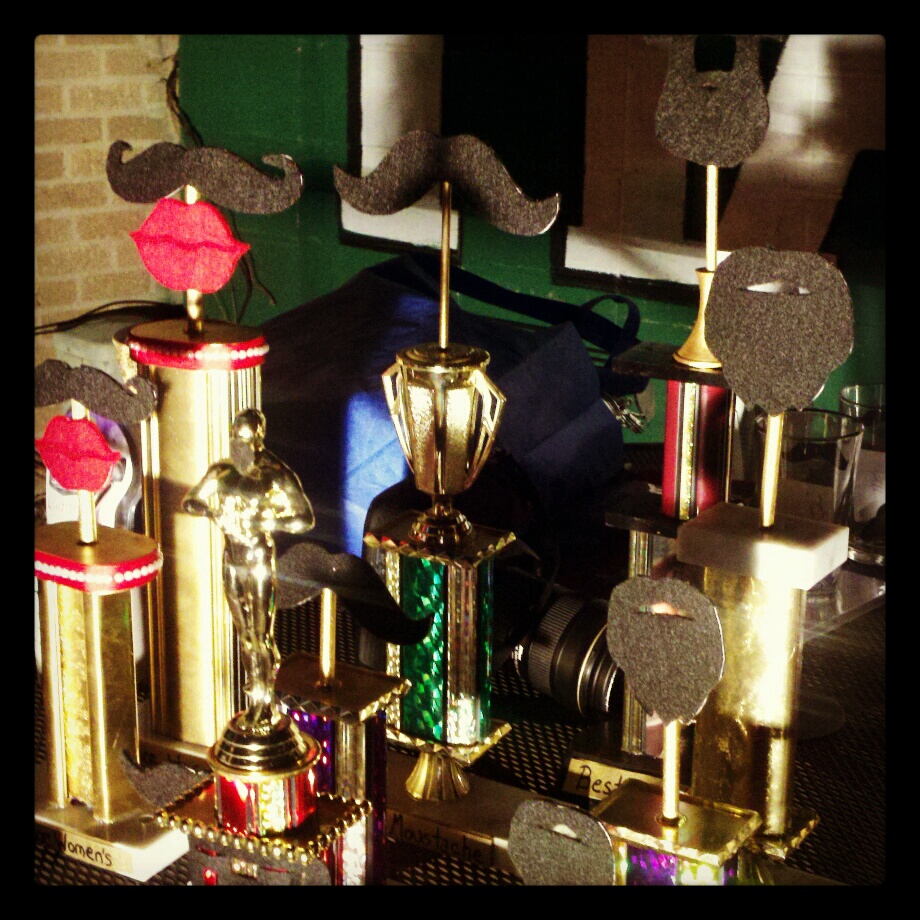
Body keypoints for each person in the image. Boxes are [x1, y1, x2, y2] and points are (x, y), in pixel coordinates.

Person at [182, 409, 314, 730]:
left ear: (258, 440)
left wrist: (263, 518)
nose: (238, 447)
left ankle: (264, 702)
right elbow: (191, 501)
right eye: (234, 439)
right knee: (243, 634)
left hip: (257, 558)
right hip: (231, 557)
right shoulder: (222, 471)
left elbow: (304, 518)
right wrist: (213, 513)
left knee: (259, 635)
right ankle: (255, 698)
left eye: (244, 440)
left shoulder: (275, 473)